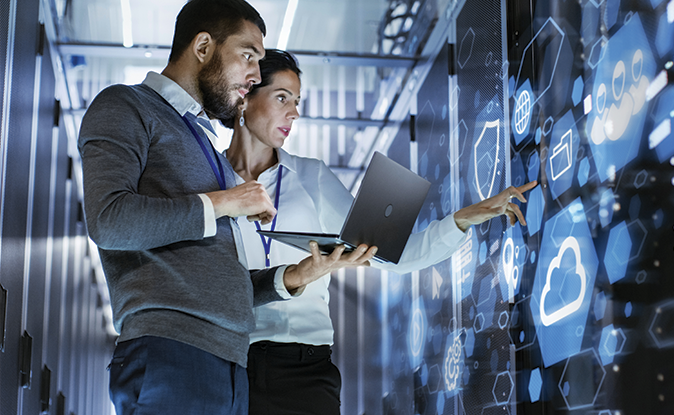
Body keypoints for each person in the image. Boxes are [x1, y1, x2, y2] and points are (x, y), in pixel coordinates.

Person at [77, 2, 375, 415]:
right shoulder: (127, 106)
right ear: (203, 46)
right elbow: (110, 220)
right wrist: (227, 201)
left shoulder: (208, 151)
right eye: (248, 55)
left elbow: (222, 283)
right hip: (171, 352)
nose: (254, 74)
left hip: (230, 364)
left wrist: (296, 276)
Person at [222, 49, 538, 415]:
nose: (294, 113)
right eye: (282, 98)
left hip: (304, 370)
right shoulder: (208, 181)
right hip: (228, 363)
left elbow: (393, 256)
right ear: (245, 97)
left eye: (297, 101)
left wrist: (463, 219)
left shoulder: (313, 177)